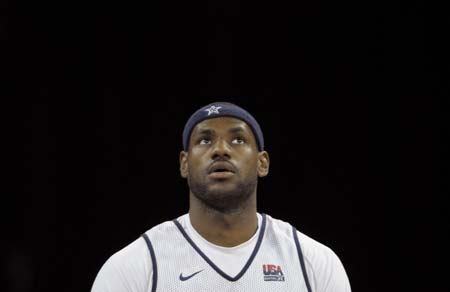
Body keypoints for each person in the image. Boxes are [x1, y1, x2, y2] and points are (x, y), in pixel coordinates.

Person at [91, 102, 352, 292]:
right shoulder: (135, 265)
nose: (220, 150)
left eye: (238, 140)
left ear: (262, 163)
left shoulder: (314, 262)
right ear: (184, 163)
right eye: (205, 140)